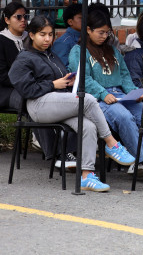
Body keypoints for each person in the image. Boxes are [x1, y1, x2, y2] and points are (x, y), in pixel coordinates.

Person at [10, 15, 136, 192]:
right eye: (42, 34)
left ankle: (87, 176)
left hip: (58, 102)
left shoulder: (51, 55)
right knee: (89, 99)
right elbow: (25, 88)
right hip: (38, 106)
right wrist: (53, 84)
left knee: (89, 126)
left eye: (50, 34)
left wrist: (68, 81)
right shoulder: (24, 58)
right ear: (31, 35)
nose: (47, 39)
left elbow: (60, 79)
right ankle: (112, 144)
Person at [68, 9, 143, 178]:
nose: (104, 36)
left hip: (120, 95)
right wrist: (103, 93)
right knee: (123, 116)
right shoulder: (78, 51)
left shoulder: (113, 51)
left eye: (107, 32)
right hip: (96, 99)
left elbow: (125, 76)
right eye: (100, 32)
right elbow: (84, 78)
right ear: (88, 30)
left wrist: (134, 92)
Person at [0, 2, 28, 109]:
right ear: (7, 20)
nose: (23, 20)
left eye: (25, 17)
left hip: (30, 85)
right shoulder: (2, 40)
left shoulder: (30, 38)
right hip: (6, 90)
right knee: (33, 100)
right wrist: (27, 84)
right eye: (18, 17)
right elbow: (3, 76)